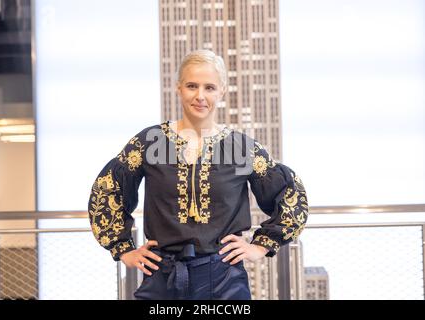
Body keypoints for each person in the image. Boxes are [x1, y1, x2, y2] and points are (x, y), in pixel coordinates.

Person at [88, 49, 308, 300]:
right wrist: (123, 249)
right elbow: (108, 188)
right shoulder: (149, 142)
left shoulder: (241, 148)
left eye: (209, 88)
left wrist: (260, 246)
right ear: (179, 88)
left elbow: (289, 193)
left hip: (225, 280)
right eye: (192, 86)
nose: (200, 96)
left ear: (222, 91)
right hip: (163, 276)